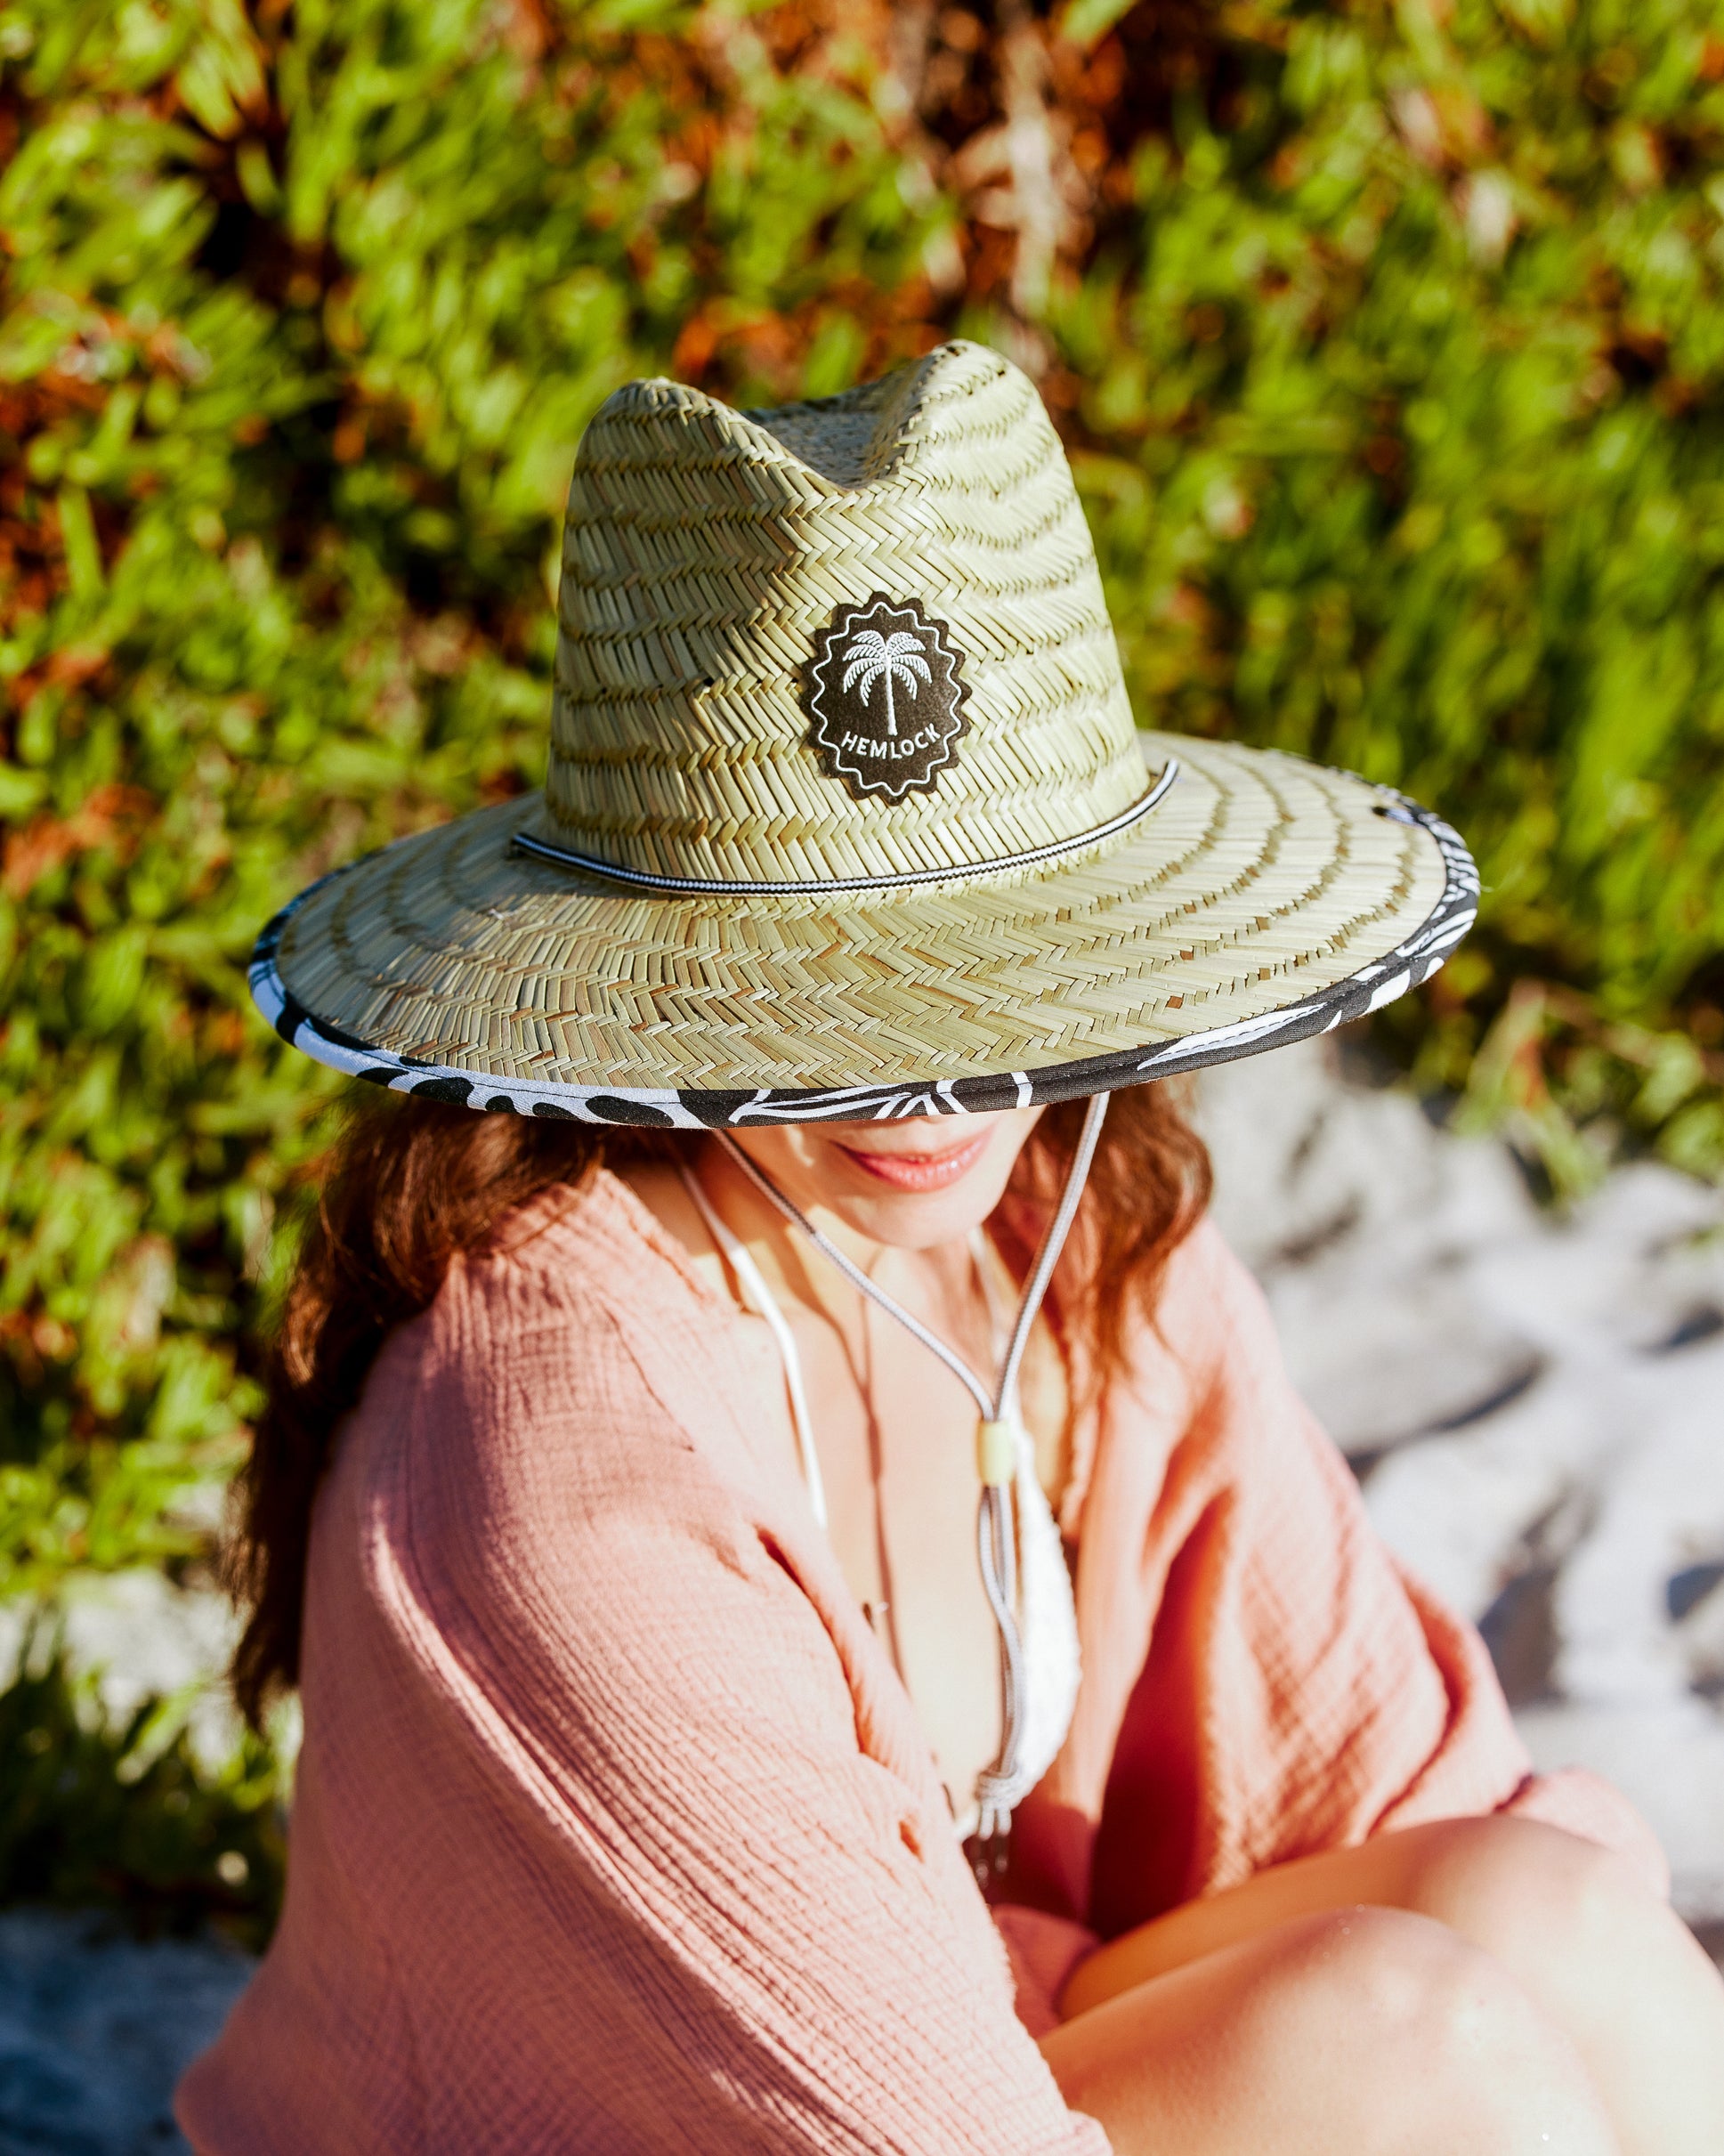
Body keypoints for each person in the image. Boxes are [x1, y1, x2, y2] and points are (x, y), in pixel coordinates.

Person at [180, 343, 1724, 2153]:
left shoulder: (1071, 1242)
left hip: (1001, 2063)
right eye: (825, 982)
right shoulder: (549, 1439)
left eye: (995, 957)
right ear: (652, 968)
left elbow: (1410, 1803)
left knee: (1546, 1927)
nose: (934, 1077)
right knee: (1408, 2041)